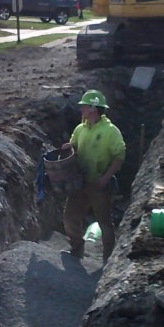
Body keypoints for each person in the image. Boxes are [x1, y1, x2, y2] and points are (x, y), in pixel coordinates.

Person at [61, 89, 126, 262]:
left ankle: (108, 260)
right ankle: (76, 249)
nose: (81, 109)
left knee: (104, 222)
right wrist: (68, 147)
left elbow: (119, 156)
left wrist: (105, 178)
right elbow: (74, 145)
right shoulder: (80, 128)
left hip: (99, 184)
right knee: (70, 218)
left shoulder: (111, 131)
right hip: (80, 183)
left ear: (93, 108)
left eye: (84, 107)